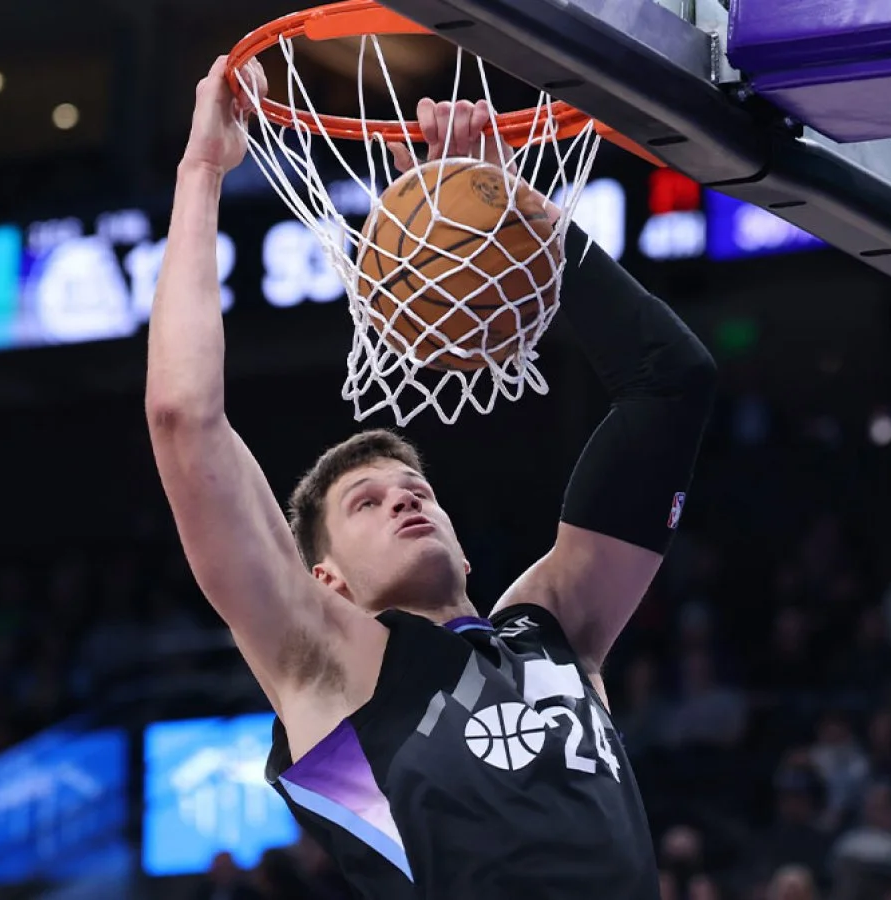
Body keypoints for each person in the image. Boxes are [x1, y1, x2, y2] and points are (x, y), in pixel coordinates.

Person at [146, 56, 716, 900]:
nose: (405, 498)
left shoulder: (553, 625)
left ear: (464, 547)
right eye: (367, 503)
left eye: (416, 491)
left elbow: (674, 382)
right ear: (328, 581)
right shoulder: (326, 662)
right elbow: (184, 419)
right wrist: (201, 172)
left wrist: (508, 209)